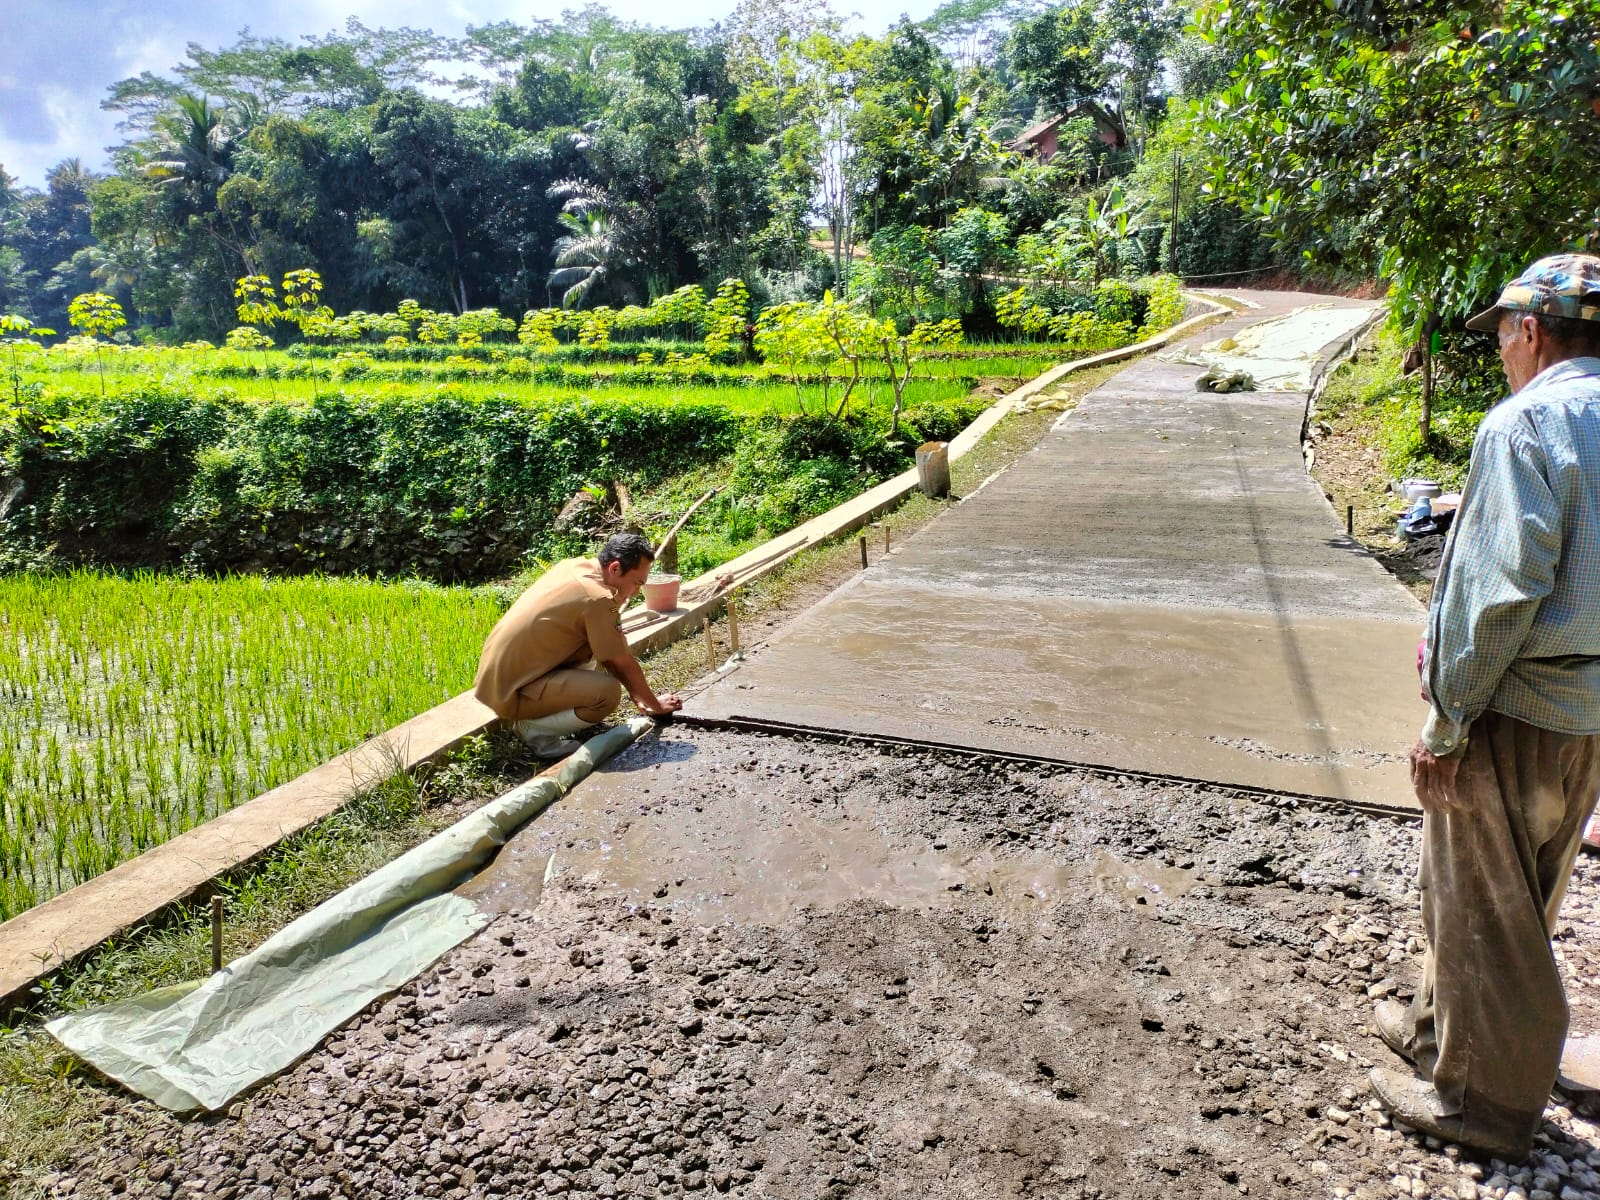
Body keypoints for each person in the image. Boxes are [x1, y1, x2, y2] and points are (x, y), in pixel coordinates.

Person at [1370, 254, 1600, 1159]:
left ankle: (1483, 1106)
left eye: (1503, 334)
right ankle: (1439, 1034)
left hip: (1517, 708)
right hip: (1587, 710)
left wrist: (1447, 724)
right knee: (1515, 893)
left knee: (1483, 904)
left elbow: (1497, 595)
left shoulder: (1527, 423)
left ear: (1532, 331)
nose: (1502, 350)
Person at [474, 532, 682, 757]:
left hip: (500, 679)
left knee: (598, 649)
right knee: (607, 693)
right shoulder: (598, 599)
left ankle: (551, 717)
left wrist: (637, 692)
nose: (636, 592)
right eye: (636, 583)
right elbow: (620, 662)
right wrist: (656, 706)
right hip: (511, 692)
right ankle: (533, 730)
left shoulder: (576, 566)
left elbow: (612, 650)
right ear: (614, 569)